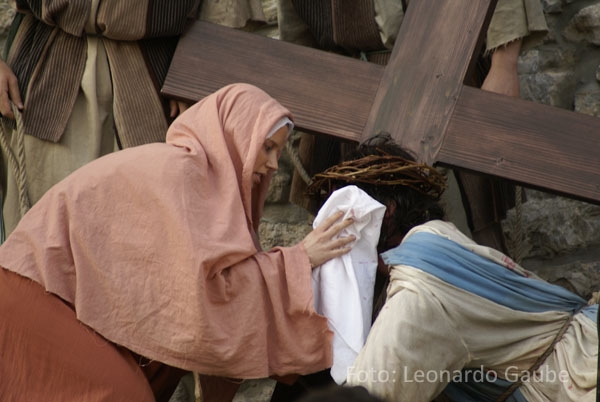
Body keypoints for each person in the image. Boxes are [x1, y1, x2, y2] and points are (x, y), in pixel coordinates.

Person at [0, 83, 357, 402]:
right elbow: (197, 297)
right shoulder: (181, 173)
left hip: (59, 295)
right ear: (236, 135)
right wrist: (298, 259)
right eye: (266, 148)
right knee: (119, 395)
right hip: (34, 291)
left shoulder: (206, 187)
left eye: (278, 152)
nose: (274, 164)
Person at [307, 134, 598, 402]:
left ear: (386, 212)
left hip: (577, 382)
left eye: (346, 219)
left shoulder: (420, 287)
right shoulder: (439, 238)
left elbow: (372, 391)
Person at [279, 0, 548, 253]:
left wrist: (504, 64)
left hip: (443, 77)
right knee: (351, 247)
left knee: (461, 244)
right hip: (344, 91)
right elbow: (297, 34)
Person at [0, 0, 269, 241]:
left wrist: (195, 73)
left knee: (148, 242)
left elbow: (223, 10)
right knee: (43, 243)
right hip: (45, 79)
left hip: (158, 89)